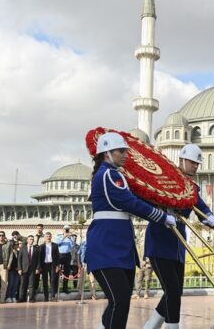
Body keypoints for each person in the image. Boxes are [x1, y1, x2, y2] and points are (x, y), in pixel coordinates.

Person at [85, 132, 175, 329]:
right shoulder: (108, 175)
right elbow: (130, 203)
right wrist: (161, 217)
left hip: (119, 246)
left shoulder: (117, 175)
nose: (126, 155)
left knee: (121, 300)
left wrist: (162, 202)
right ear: (107, 153)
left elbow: (137, 199)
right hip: (106, 247)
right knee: (120, 300)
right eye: (121, 151)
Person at [143, 144, 214, 329]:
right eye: (192, 162)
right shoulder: (165, 178)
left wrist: (209, 216)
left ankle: (150, 326)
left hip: (178, 244)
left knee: (175, 291)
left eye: (197, 164)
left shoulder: (191, 187)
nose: (195, 166)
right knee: (172, 290)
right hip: (160, 239)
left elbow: (199, 205)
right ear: (182, 160)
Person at [18, 235, 40, 302]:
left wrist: (37, 268)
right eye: (30, 239)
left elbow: (38, 260)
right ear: (27, 240)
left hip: (32, 269)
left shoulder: (36, 249)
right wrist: (19, 269)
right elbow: (19, 259)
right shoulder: (22, 248)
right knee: (23, 284)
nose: (31, 240)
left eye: (32, 239)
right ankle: (22, 298)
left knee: (31, 284)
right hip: (24, 269)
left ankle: (31, 298)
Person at [40, 232, 60, 301]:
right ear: (45, 237)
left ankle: (53, 296)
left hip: (52, 264)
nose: (48, 237)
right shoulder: (41, 246)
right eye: (47, 236)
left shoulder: (55, 245)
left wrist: (57, 266)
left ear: (51, 237)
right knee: (45, 280)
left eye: (49, 236)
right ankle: (46, 297)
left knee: (53, 280)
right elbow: (40, 258)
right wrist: (39, 267)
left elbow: (57, 256)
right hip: (44, 265)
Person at [55, 225, 76, 294]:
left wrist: (70, 238)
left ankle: (65, 288)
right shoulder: (59, 236)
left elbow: (73, 245)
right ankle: (55, 288)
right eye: (65, 229)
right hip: (60, 255)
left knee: (67, 272)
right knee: (57, 270)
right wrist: (64, 236)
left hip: (67, 255)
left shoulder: (71, 237)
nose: (66, 230)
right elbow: (57, 243)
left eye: (67, 229)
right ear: (63, 230)